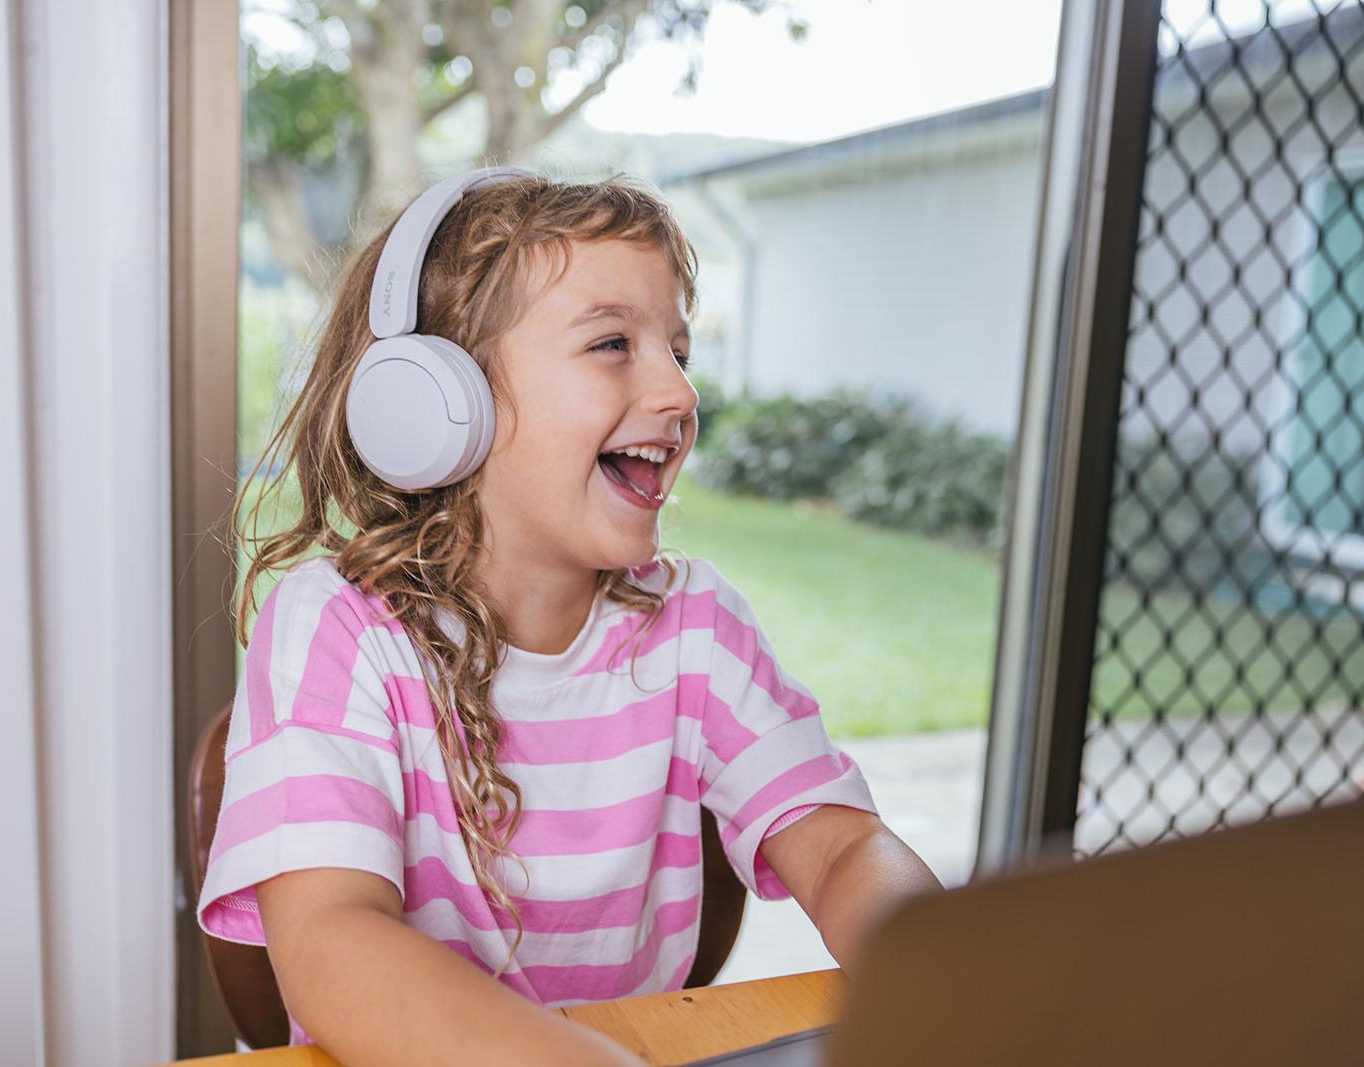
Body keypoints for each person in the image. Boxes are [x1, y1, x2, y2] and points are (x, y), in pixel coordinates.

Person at [197, 168, 942, 1066]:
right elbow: (330, 942)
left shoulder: (696, 624)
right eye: (613, 345)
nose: (677, 394)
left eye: (679, 350)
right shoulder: (337, 633)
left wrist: (950, 981)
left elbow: (841, 844)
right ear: (442, 401)